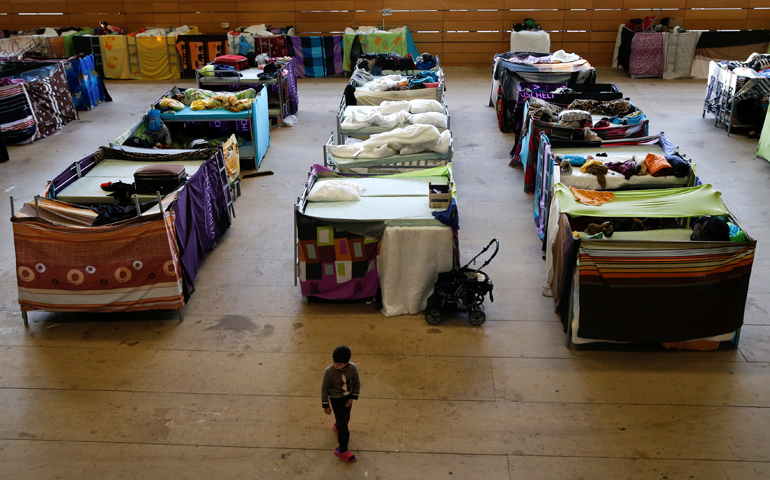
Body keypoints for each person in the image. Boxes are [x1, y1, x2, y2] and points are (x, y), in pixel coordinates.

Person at [321, 345, 361, 463]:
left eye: (339, 364)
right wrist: (326, 405)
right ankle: (342, 449)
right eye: (334, 362)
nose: (335, 366)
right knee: (344, 427)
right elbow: (324, 389)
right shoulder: (329, 372)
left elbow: (357, 383)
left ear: (347, 362)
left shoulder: (353, 369)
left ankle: (338, 426)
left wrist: (352, 398)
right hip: (336, 399)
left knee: (346, 417)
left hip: (348, 398)